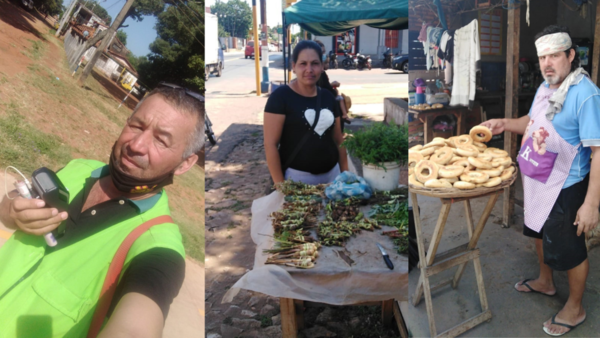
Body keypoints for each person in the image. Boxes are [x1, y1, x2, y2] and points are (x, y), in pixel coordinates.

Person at [0, 83, 204, 337]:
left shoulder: (159, 246)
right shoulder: (79, 167)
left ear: (185, 164)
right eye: (137, 126)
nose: (137, 145)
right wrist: (11, 210)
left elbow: (137, 326)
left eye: (161, 140)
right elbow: (9, 204)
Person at [481, 25, 600, 336]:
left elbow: (598, 151)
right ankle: (546, 282)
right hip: (537, 178)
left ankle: (575, 308)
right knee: (537, 232)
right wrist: (504, 124)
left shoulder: (586, 95)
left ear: (571, 56)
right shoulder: (546, 88)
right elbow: (533, 123)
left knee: (572, 251)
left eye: (556, 56)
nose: (548, 64)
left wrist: (591, 204)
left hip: (567, 186)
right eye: (543, 57)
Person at [264, 40, 349, 186]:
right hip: (297, 181)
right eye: (303, 64)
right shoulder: (280, 98)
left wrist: (347, 176)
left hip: (333, 179)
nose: (309, 69)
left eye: (315, 63)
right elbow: (270, 144)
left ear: (322, 67)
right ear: (293, 67)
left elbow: (338, 140)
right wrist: (281, 187)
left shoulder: (328, 97)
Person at [313, 40, 351, 132]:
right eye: (322, 52)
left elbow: (324, 87)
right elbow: (323, 89)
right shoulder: (315, 74)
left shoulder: (322, 73)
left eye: (324, 52)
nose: (324, 55)